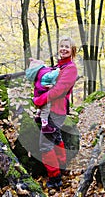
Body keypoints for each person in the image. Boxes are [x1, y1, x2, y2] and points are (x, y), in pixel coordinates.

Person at [32, 36, 78, 189]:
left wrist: (39, 100)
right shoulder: (59, 66)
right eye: (62, 46)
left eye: (67, 46)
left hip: (55, 111)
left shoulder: (70, 68)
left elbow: (59, 90)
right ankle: (62, 167)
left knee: (45, 146)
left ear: (72, 50)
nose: (64, 49)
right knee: (56, 138)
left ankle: (55, 179)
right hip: (52, 110)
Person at [25, 58, 60, 133]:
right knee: (46, 109)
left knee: (40, 107)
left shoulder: (37, 74)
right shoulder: (43, 72)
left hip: (37, 95)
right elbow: (50, 76)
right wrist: (57, 70)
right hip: (44, 95)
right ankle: (45, 126)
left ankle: (38, 116)